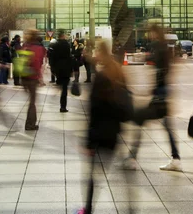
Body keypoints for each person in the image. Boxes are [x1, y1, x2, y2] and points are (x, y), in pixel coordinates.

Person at [78, 41, 133, 214]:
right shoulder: (118, 71)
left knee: (92, 175)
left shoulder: (102, 77)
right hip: (115, 130)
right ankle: (129, 208)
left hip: (100, 132)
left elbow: (94, 110)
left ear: (100, 53)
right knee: (115, 174)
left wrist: (88, 141)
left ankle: (87, 209)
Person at [125, 24, 182, 172]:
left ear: (154, 33)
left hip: (160, 94)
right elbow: (166, 69)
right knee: (167, 127)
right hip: (162, 93)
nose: (149, 36)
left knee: (139, 119)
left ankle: (132, 158)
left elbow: (161, 69)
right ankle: (176, 158)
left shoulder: (159, 47)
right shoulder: (164, 47)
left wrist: (154, 89)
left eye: (150, 33)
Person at [20, 29, 46, 131]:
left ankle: (30, 123)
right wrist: (39, 77)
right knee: (32, 102)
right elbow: (37, 64)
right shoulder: (39, 48)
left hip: (24, 76)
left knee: (31, 101)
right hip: (32, 77)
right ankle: (30, 124)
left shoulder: (25, 46)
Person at [52, 31, 72, 113]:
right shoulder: (67, 45)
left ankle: (58, 89)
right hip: (66, 68)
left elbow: (53, 57)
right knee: (64, 88)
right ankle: (63, 107)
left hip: (58, 68)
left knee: (60, 84)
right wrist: (71, 69)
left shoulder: (55, 45)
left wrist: (53, 69)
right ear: (63, 36)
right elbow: (69, 57)